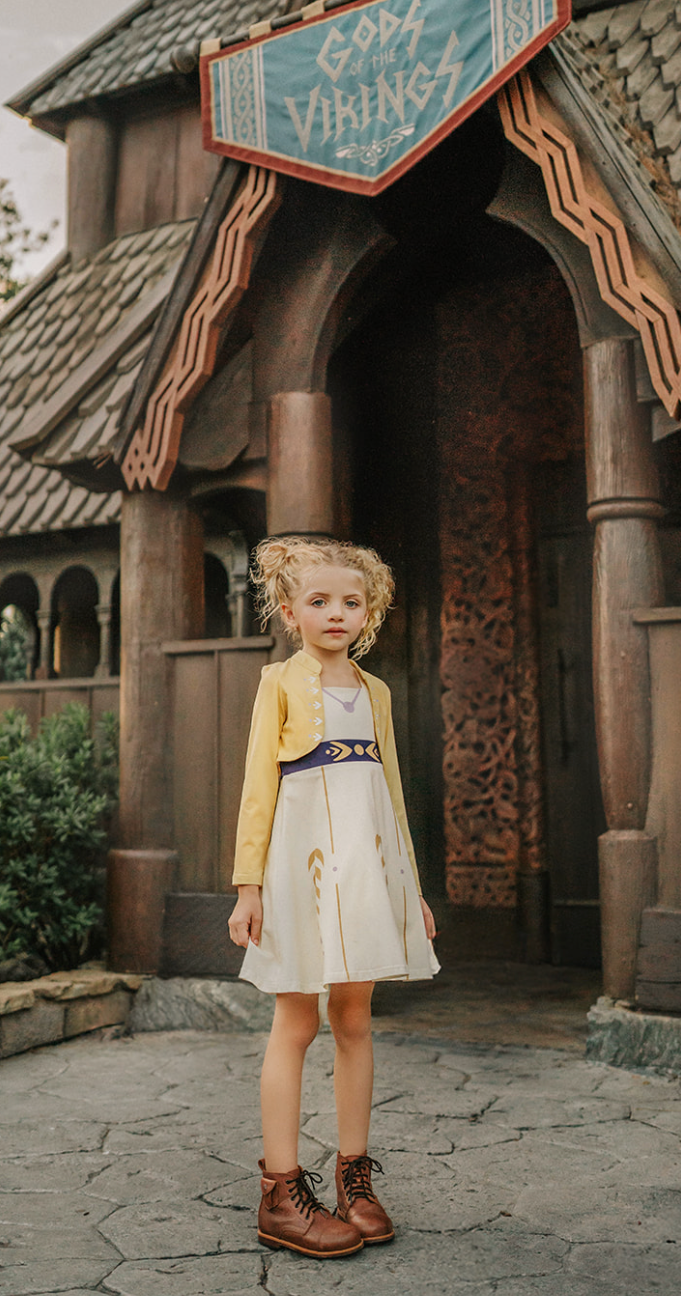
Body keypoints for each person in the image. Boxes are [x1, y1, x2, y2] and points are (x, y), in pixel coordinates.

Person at [228, 535, 439, 1259]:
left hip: (368, 866)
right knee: (297, 1021)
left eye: (352, 602)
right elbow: (260, 787)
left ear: (369, 612)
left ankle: (355, 1176)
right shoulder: (279, 684)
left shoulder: (376, 692)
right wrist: (248, 885)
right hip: (300, 866)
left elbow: (392, 796)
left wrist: (408, 888)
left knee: (355, 1016)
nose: (336, 613)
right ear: (291, 613)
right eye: (319, 602)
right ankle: (280, 1190)